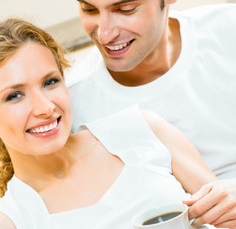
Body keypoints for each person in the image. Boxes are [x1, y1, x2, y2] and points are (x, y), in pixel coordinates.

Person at [0, 18, 218, 229]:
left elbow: (227, 212)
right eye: (14, 96)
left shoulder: (141, 129)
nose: (45, 108)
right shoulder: (13, 218)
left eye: (50, 82)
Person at [66, 0, 236, 228]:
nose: (105, 34)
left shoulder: (231, 29)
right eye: (89, 9)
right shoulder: (73, 105)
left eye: (125, 10)